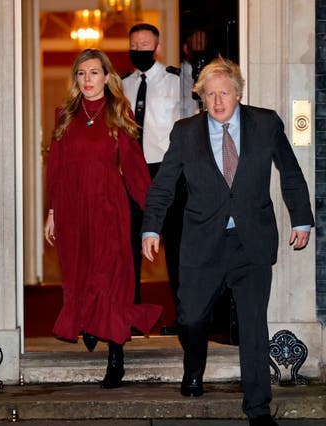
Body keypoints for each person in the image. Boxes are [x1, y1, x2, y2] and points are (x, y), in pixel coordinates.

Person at [141, 56, 314, 426]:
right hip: (203, 242)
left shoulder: (265, 124)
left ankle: (258, 408)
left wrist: (302, 218)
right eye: (209, 94)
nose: (217, 101)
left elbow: (291, 172)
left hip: (250, 241)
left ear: (237, 93)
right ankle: (194, 366)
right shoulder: (185, 132)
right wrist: (151, 228)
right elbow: (164, 185)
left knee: (253, 325)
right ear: (201, 97)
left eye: (224, 93)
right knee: (190, 316)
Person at [44, 49, 162, 389]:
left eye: (94, 73)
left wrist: (153, 217)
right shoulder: (64, 115)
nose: (87, 80)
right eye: (81, 74)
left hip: (109, 210)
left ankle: (116, 359)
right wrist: (52, 211)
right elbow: (57, 168)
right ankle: (91, 324)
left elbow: (136, 169)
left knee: (112, 281)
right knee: (81, 275)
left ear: (107, 77)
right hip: (73, 210)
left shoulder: (118, 113)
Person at [122, 23, 185, 336]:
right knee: (130, 242)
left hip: (168, 172)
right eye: (134, 45)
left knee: (175, 244)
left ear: (157, 48)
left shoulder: (177, 81)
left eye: (145, 44)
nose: (139, 50)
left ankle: (183, 315)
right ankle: (131, 315)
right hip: (133, 172)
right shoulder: (121, 85)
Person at [180, 29, 210, 118]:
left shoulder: (210, 74)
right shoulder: (177, 76)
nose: (202, 49)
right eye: (199, 44)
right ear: (186, 48)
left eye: (205, 45)